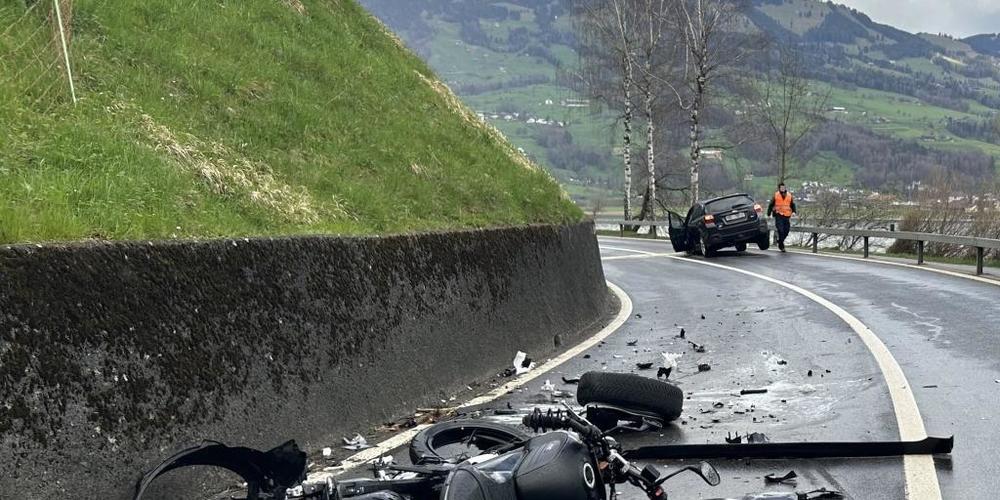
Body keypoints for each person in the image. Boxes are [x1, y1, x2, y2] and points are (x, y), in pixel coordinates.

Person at [767, 182, 796, 252]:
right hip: (778, 215)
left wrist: (794, 211)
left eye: (784, 187)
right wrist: (768, 213)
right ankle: (781, 246)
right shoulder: (776, 195)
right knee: (781, 230)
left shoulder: (789, 195)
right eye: (781, 187)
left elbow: (792, 204)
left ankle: (780, 241)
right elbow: (771, 204)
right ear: (779, 188)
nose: (783, 189)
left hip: (786, 215)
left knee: (786, 230)